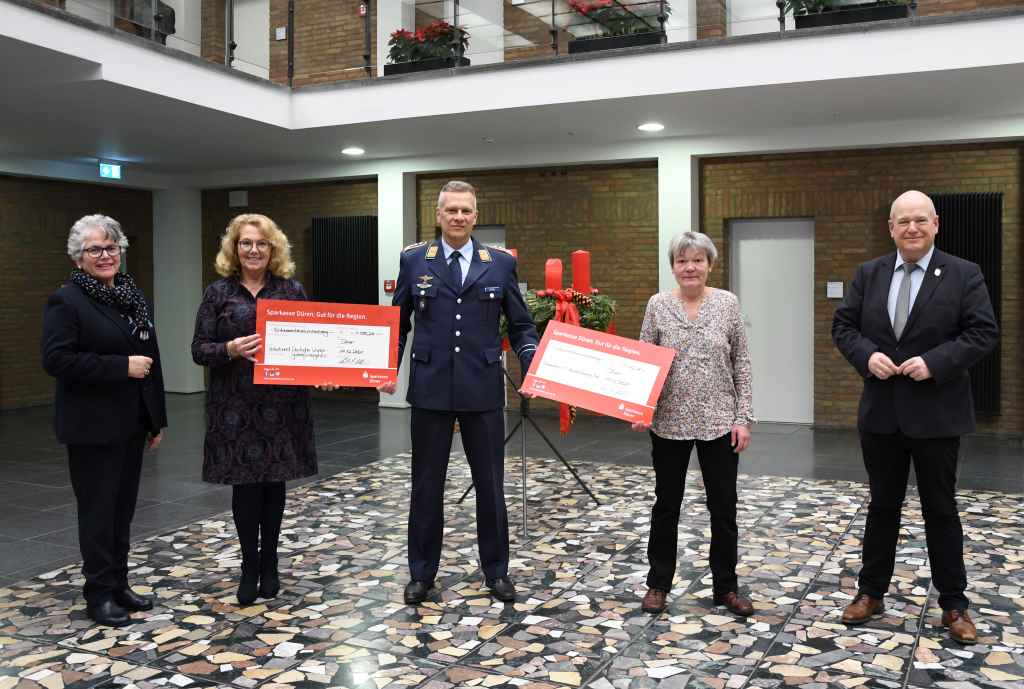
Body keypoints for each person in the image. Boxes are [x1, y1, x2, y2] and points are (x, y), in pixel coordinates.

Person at [832, 190, 998, 644]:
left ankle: (954, 604)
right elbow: (843, 326)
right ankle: (871, 593)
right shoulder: (870, 273)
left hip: (937, 415)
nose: (911, 228)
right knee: (882, 507)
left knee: (941, 510)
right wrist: (867, 356)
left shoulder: (964, 274)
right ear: (891, 228)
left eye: (920, 220)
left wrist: (936, 362)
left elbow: (983, 332)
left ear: (936, 224)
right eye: (903, 221)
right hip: (882, 416)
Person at [379, 180, 538, 605]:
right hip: (430, 390)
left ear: (476, 215)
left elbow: (521, 325)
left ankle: (497, 572)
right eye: (451, 210)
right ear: (438, 214)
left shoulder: (499, 263)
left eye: (466, 210)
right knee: (426, 486)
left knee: (490, 486)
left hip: (482, 391)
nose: (458, 217)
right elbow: (398, 324)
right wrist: (385, 367)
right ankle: (421, 574)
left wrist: (532, 365)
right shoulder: (415, 261)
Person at [41, 214, 167, 627]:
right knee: (98, 512)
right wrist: (119, 367)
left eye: (111, 247)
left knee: (122, 510)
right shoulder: (67, 300)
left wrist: (155, 419)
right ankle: (98, 592)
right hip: (92, 427)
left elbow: (152, 357)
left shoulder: (131, 294)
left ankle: (119, 584)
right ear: (78, 258)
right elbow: (57, 360)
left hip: (130, 423)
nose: (105, 255)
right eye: (94, 249)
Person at [192, 214, 319, 606]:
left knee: (274, 487)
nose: (253, 250)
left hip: (282, 407)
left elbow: (313, 343)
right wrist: (229, 349)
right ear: (234, 248)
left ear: (273, 248)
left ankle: (271, 563)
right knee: (246, 490)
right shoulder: (218, 293)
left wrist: (324, 371)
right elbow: (198, 349)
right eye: (246, 243)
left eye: (261, 243)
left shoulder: (292, 291)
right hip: (235, 408)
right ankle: (249, 566)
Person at [632, 231, 755, 617]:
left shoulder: (727, 304)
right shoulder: (657, 305)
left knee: (724, 507)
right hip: (669, 421)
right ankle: (658, 584)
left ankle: (726, 587)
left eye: (698, 260)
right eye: (682, 261)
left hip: (720, 422)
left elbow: (742, 363)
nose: (690, 267)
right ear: (673, 266)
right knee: (666, 505)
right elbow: (644, 359)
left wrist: (743, 418)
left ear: (709, 265)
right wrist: (639, 404)